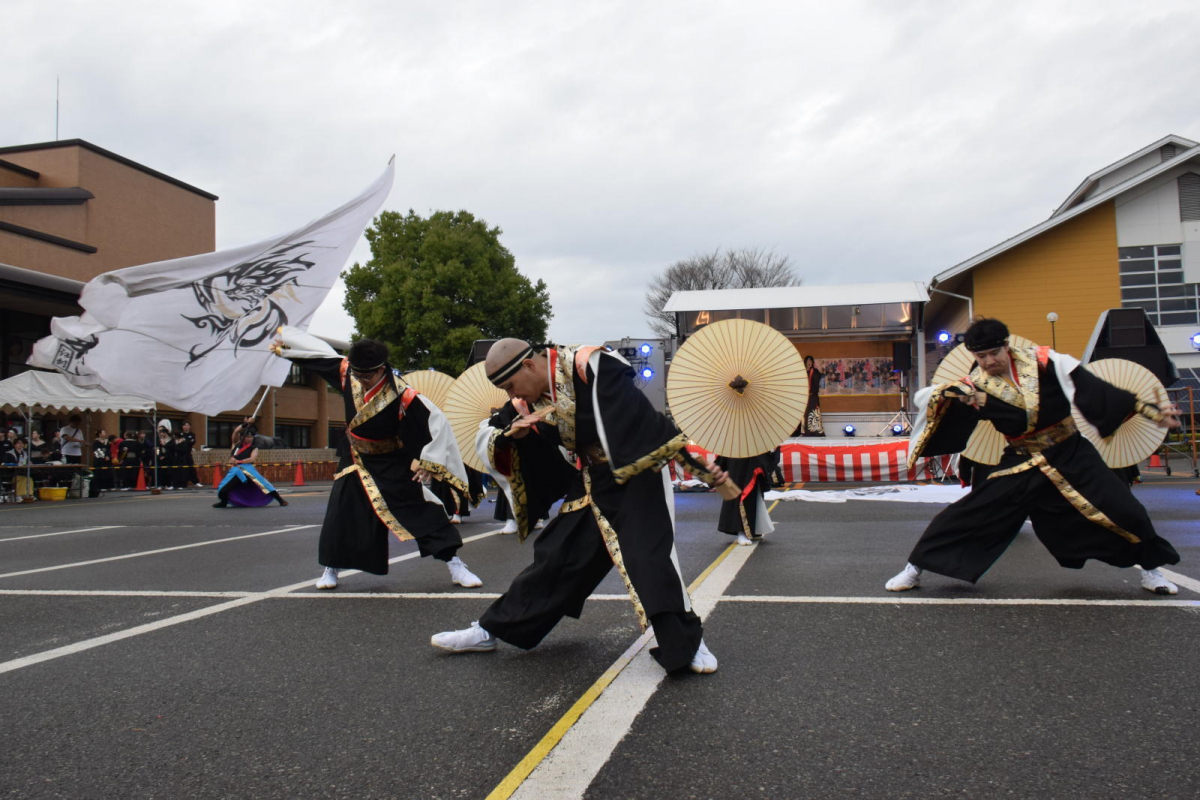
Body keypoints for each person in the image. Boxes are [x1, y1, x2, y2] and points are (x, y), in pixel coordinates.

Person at [430, 339, 730, 675]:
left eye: (512, 386)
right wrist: (514, 436)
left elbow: (637, 418)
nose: (514, 396)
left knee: (646, 555)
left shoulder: (590, 365)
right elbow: (489, 434)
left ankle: (686, 641)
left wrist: (694, 465)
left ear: (529, 365)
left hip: (637, 471)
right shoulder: (525, 402)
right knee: (557, 556)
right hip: (592, 480)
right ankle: (491, 629)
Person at [885, 318, 1183, 595]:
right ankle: (914, 568)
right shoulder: (973, 386)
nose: (989, 362)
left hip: (1071, 450)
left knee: (1122, 506)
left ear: (1006, 345)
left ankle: (1152, 571)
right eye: (981, 356)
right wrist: (955, 395)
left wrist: (1150, 411)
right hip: (1022, 459)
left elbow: (1092, 388)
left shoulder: (1045, 361)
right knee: (971, 511)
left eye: (993, 353)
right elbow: (928, 398)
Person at [271, 328, 483, 591]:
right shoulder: (348, 374)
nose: (360, 379)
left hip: (391, 459)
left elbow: (435, 422)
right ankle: (332, 567)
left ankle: (455, 564)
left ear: (382, 368)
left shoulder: (403, 395)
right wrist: (287, 349)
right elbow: (318, 358)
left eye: (366, 375)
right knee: (342, 512)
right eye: (356, 374)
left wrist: (429, 461)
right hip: (355, 457)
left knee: (419, 510)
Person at [213, 427, 288, 508]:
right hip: (236, 470)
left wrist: (238, 461)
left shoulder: (254, 448)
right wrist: (245, 424)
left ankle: (281, 500)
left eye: (251, 437)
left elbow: (252, 459)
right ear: (242, 437)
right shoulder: (236, 444)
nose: (249, 439)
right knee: (223, 490)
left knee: (263, 485)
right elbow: (235, 432)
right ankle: (223, 502)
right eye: (247, 437)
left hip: (248, 469)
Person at [714, 451, 777, 545]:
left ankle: (754, 529)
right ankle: (742, 531)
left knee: (754, 497)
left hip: (752, 459)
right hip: (737, 462)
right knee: (741, 496)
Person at [797, 355, 825, 437]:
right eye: (807, 361)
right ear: (805, 362)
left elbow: (817, 379)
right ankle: (804, 431)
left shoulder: (815, 371)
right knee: (804, 413)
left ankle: (815, 431)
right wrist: (806, 371)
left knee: (813, 413)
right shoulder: (802, 371)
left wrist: (811, 372)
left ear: (812, 363)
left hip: (812, 396)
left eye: (810, 361)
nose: (809, 363)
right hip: (805, 397)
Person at [179, 422, 201, 487]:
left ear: (189, 426)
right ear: (182, 427)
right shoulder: (181, 434)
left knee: (191, 467)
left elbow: (192, 442)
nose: (186, 426)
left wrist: (185, 441)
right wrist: (187, 441)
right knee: (183, 469)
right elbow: (180, 442)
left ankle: (195, 482)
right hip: (181, 453)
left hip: (188, 453)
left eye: (187, 425)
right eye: (184, 425)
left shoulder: (192, 434)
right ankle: (183, 483)